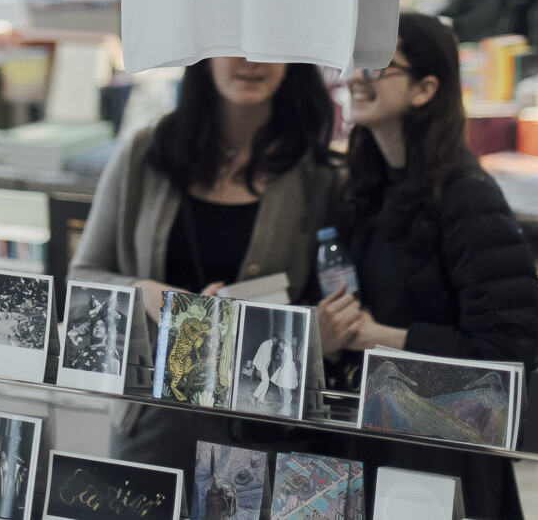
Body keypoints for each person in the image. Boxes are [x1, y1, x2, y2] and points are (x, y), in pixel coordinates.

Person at [321, 12, 538, 518]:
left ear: (424, 89)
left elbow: (506, 352)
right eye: (354, 64)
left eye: (377, 67)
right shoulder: (363, 186)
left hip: (447, 452)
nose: (356, 78)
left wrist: (378, 338)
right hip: (374, 439)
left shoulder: (468, 197)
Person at [71, 56, 341, 469]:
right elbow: (82, 279)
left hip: (264, 427)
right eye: (233, 43)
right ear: (202, 54)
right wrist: (149, 293)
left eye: (268, 46)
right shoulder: (145, 154)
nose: (251, 60)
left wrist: (254, 324)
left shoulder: (321, 176)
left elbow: (337, 309)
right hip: (154, 417)